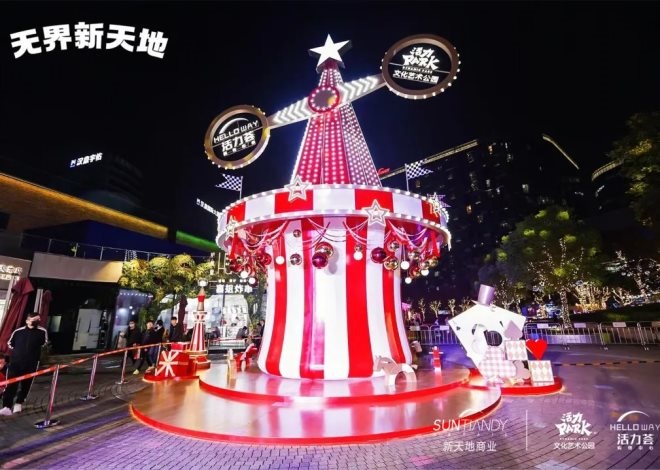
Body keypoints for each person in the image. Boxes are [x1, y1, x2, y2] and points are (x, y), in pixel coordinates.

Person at [0, 313, 48, 416]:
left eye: (38, 319)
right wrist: (19, 352)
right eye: (34, 319)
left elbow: (44, 343)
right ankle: (6, 406)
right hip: (15, 362)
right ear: (27, 320)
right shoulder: (18, 331)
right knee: (11, 384)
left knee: (26, 384)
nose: (37, 321)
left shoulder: (42, 332)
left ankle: (19, 402)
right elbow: (10, 343)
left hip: (32, 362)